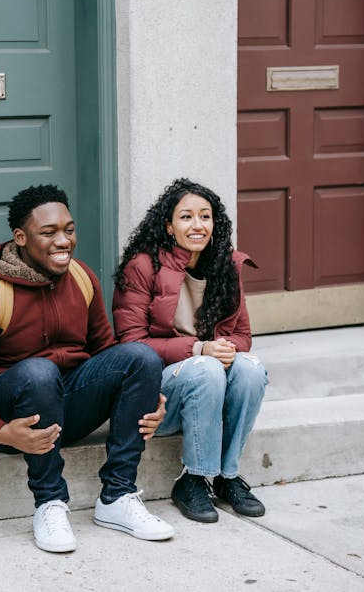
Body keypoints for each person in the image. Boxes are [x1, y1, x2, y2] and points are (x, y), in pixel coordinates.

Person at [0, 184, 174, 553]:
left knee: (141, 357)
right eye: (48, 233)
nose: (63, 240)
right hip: (11, 420)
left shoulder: (81, 278)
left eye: (69, 229)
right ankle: (49, 502)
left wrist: (147, 398)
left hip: (66, 409)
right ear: (20, 237)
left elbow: (107, 353)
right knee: (38, 372)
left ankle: (117, 497)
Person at [112, 178, 267, 524]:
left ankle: (227, 477)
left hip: (210, 379)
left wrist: (227, 349)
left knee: (251, 368)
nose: (197, 225)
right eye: (186, 217)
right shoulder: (143, 266)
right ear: (168, 225)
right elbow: (131, 344)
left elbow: (242, 335)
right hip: (164, 391)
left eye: (205, 216)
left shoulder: (226, 265)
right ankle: (193, 479)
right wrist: (200, 349)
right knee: (205, 367)